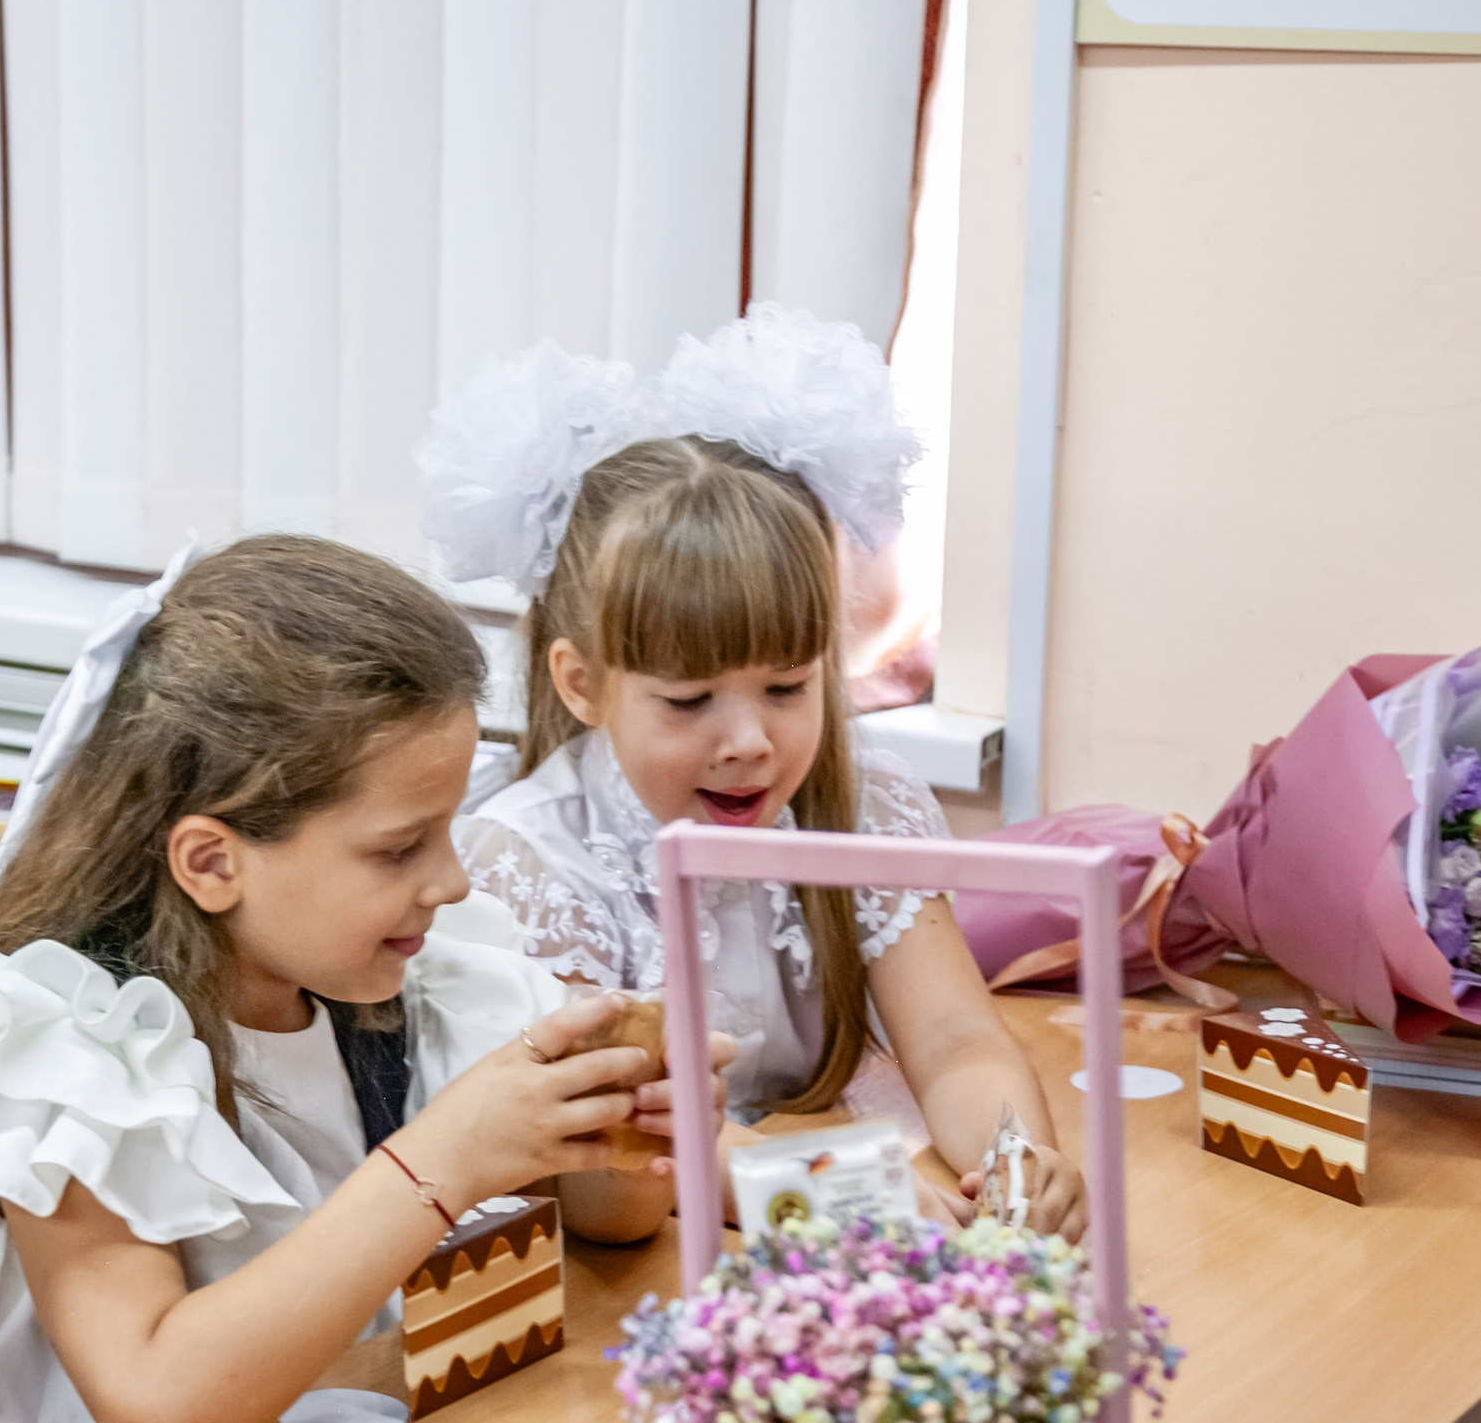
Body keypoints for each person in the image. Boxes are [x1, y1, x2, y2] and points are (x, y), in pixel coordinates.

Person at [0, 536, 732, 1423]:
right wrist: (443, 1160)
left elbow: (609, 1223)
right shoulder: (62, 1046)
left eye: (448, 831)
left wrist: (626, 1127)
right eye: (400, 848)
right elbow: (161, 1415)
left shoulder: (386, 977)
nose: (451, 880)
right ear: (212, 862)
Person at [427, 304, 1086, 1240]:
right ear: (582, 684)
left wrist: (1017, 1156)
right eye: (690, 700)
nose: (749, 741)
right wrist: (834, 1190)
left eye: (786, 686)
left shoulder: (862, 806)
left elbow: (955, 1040)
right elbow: (615, 1145)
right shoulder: (533, 863)